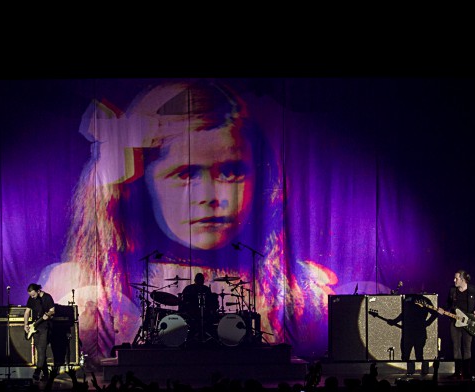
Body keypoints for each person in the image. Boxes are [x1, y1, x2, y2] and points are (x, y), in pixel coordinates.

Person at [40, 79, 338, 365]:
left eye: (231, 171)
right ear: (140, 186)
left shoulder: (299, 289)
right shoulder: (91, 291)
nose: (210, 196)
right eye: (186, 174)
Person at [446, 269, 475, 380]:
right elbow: (448, 303)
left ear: (462, 280)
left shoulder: (473, 290)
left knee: (467, 347)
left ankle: (467, 372)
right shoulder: (452, 290)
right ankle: (457, 372)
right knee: (456, 347)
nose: (454, 280)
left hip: (468, 322)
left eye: (456, 278)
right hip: (455, 322)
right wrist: (443, 309)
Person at [387, 295, 438, 376]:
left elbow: (435, 313)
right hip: (410, 331)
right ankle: (411, 372)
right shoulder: (408, 299)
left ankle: (419, 373)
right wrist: (394, 321)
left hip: (416, 331)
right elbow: (404, 314)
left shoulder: (421, 300)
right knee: (407, 354)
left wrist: (426, 323)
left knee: (416, 354)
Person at [24, 283, 56, 382]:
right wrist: (25, 325)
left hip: (45, 327)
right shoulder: (31, 299)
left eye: (33, 295)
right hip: (35, 327)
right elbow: (27, 312)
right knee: (40, 352)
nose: (32, 297)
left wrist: (49, 315)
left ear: (38, 291)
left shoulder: (47, 298)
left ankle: (37, 372)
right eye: (30, 295)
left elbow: (52, 311)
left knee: (42, 350)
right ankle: (46, 375)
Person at [179, 272, 218, 343]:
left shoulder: (206, 289)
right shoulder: (189, 288)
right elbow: (184, 301)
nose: (200, 281)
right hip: (192, 312)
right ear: (195, 280)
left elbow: (210, 302)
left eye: (201, 279)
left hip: (203, 312)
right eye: (199, 279)